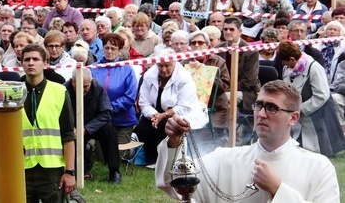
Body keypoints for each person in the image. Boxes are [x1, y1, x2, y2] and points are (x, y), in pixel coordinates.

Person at [157, 80, 340, 202]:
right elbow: (175, 183)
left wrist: (278, 190)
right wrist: (174, 143)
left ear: (293, 118)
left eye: (271, 108)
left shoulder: (319, 167)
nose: (261, 114)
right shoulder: (224, 159)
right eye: (258, 105)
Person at [21, 44, 76, 202]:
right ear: (21, 63)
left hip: (52, 170)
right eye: (27, 59)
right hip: (22, 168)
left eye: (35, 59)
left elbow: (68, 134)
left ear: (45, 63)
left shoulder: (59, 91)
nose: (31, 63)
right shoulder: (14, 93)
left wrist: (70, 171)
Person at [134, 50, 206, 166]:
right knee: (143, 127)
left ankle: (166, 160)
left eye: (167, 66)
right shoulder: (149, 76)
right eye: (160, 66)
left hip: (179, 114)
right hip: (155, 113)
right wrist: (155, 115)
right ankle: (150, 159)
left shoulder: (184, 78)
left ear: (174, 64)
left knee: (168, 125)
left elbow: (184, 106)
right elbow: (143, 102)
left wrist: (163, 115)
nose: (163, 69)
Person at [277, 41, 345, 156]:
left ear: (292, 59)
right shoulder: (286, 69)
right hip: (297, 115)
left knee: (316, 152)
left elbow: (321, 95)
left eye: (284, 61)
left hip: (317, 113)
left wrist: (301, 109)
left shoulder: (314, 68)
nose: (283, 63)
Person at [66, 69, 122, 184]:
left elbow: (106, 112)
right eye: (78, 86)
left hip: (93, 125)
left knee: (109, 130)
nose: (82, 90)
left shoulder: (97, 87)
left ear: (91, 81)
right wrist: (70, 128)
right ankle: (78, 167)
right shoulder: (64, 90)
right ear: (72, 82)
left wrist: (87, 129)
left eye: (85, 86)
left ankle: (114, 171)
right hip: (73, 128)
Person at [90, 34, 138, 147]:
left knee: (121, 155)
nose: (109, 51)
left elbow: (130, 96)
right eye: (107, 48)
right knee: (101, 157)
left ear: (120, 51)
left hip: (122, 120)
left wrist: (110, 108)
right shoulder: (93, 68)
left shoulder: (127, 69)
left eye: (113, 48)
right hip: (99, 120)